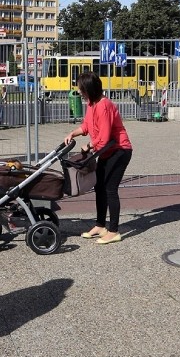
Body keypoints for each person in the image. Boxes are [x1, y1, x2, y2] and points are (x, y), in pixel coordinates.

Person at [63, 72, 133, 245]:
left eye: (81, 88)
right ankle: (100, 225)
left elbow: (105, 136)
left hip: (119, 150)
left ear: (89, 89)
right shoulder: (91, 103)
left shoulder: (104, 105)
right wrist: (73, 133)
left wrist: (89, 146)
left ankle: (114, 231)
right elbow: (87, 125)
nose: (79, 91)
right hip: (106, 151)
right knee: (99, 187)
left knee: (110, 189)